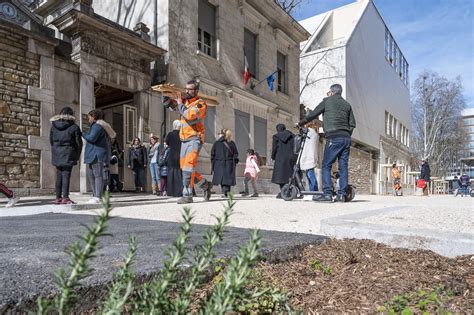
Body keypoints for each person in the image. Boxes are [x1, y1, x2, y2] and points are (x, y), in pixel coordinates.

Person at [297, 83, 356, 202]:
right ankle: (341, 195)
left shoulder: (327, 101)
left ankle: (328, 193)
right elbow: (352, 124)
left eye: (329, 92)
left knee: (326, 165)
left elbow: (313, 114)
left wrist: (300, 123)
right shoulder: (347, 105)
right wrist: (346, 134)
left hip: (333, 137)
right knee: (343, 167)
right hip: (346, 138)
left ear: (332, 92)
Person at [162, 79, 212, 204]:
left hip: (195, 139)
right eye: (186, 88)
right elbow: (168, 104)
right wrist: (166, 92)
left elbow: (191, 117)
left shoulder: (200, 104)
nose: (187, 91)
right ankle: (205, 185)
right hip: (184, 139)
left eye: (190, 89)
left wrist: (180, 104)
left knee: (188, 167)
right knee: (185, 168)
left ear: (196, 91)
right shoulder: (184, 102)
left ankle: (187, 195)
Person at [49, 106, 83, 204]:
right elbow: (78, 143)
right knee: (66, 175)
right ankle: (65, 198)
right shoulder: (74, 127)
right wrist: (77, 155)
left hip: (57, 152)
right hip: (68, 152)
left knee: (59, 175)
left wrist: (56, 149)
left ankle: (58, 198)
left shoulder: (53, 126)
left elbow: (51, 141)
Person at [82, 109, 110, 204]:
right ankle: (95, 195)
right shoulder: (95, 126)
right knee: (91, 175)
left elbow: (92, 138)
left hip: (96, 154)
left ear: (94, 117)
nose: (88, 118)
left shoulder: (97, 126)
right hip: (92, 154)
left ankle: (98, 196)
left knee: (97, 175)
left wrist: (83, 134)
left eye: (89, 116)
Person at [211, 129, 239, 197]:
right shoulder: (231, 143)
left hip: (219, 163)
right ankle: (226, 192)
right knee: (227, 179)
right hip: (229, 163)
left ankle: (225, 192)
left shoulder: (216, 143)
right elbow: (236, 153)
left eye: (219, 134)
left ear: (222, 134)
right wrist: (234, 161)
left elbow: (212, 154)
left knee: (221, 179)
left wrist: (213, 164)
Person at [271, 124, 296, 198]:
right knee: (291, 174)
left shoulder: (276, 136)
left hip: (280, 157)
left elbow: (274, 148)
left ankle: (284, 191)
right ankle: (292, 190)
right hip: (291, 157)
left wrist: (273, 157)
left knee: (280, 175)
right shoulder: (292, 136)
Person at [165, 120, 183, 197]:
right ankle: (179, 191)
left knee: (171, 174)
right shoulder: (182, 134)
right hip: (180, 155)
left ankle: (171, 191)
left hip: (172, 155)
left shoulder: (170, 134)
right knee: (180, 174)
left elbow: (167, 143)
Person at [299, 125, 319, 192]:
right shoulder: (314, 134)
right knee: (309, 175)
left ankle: (314, 191)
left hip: (308, 157)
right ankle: (312, 191)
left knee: (310, 175)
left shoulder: (310, 133)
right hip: (311, 157)